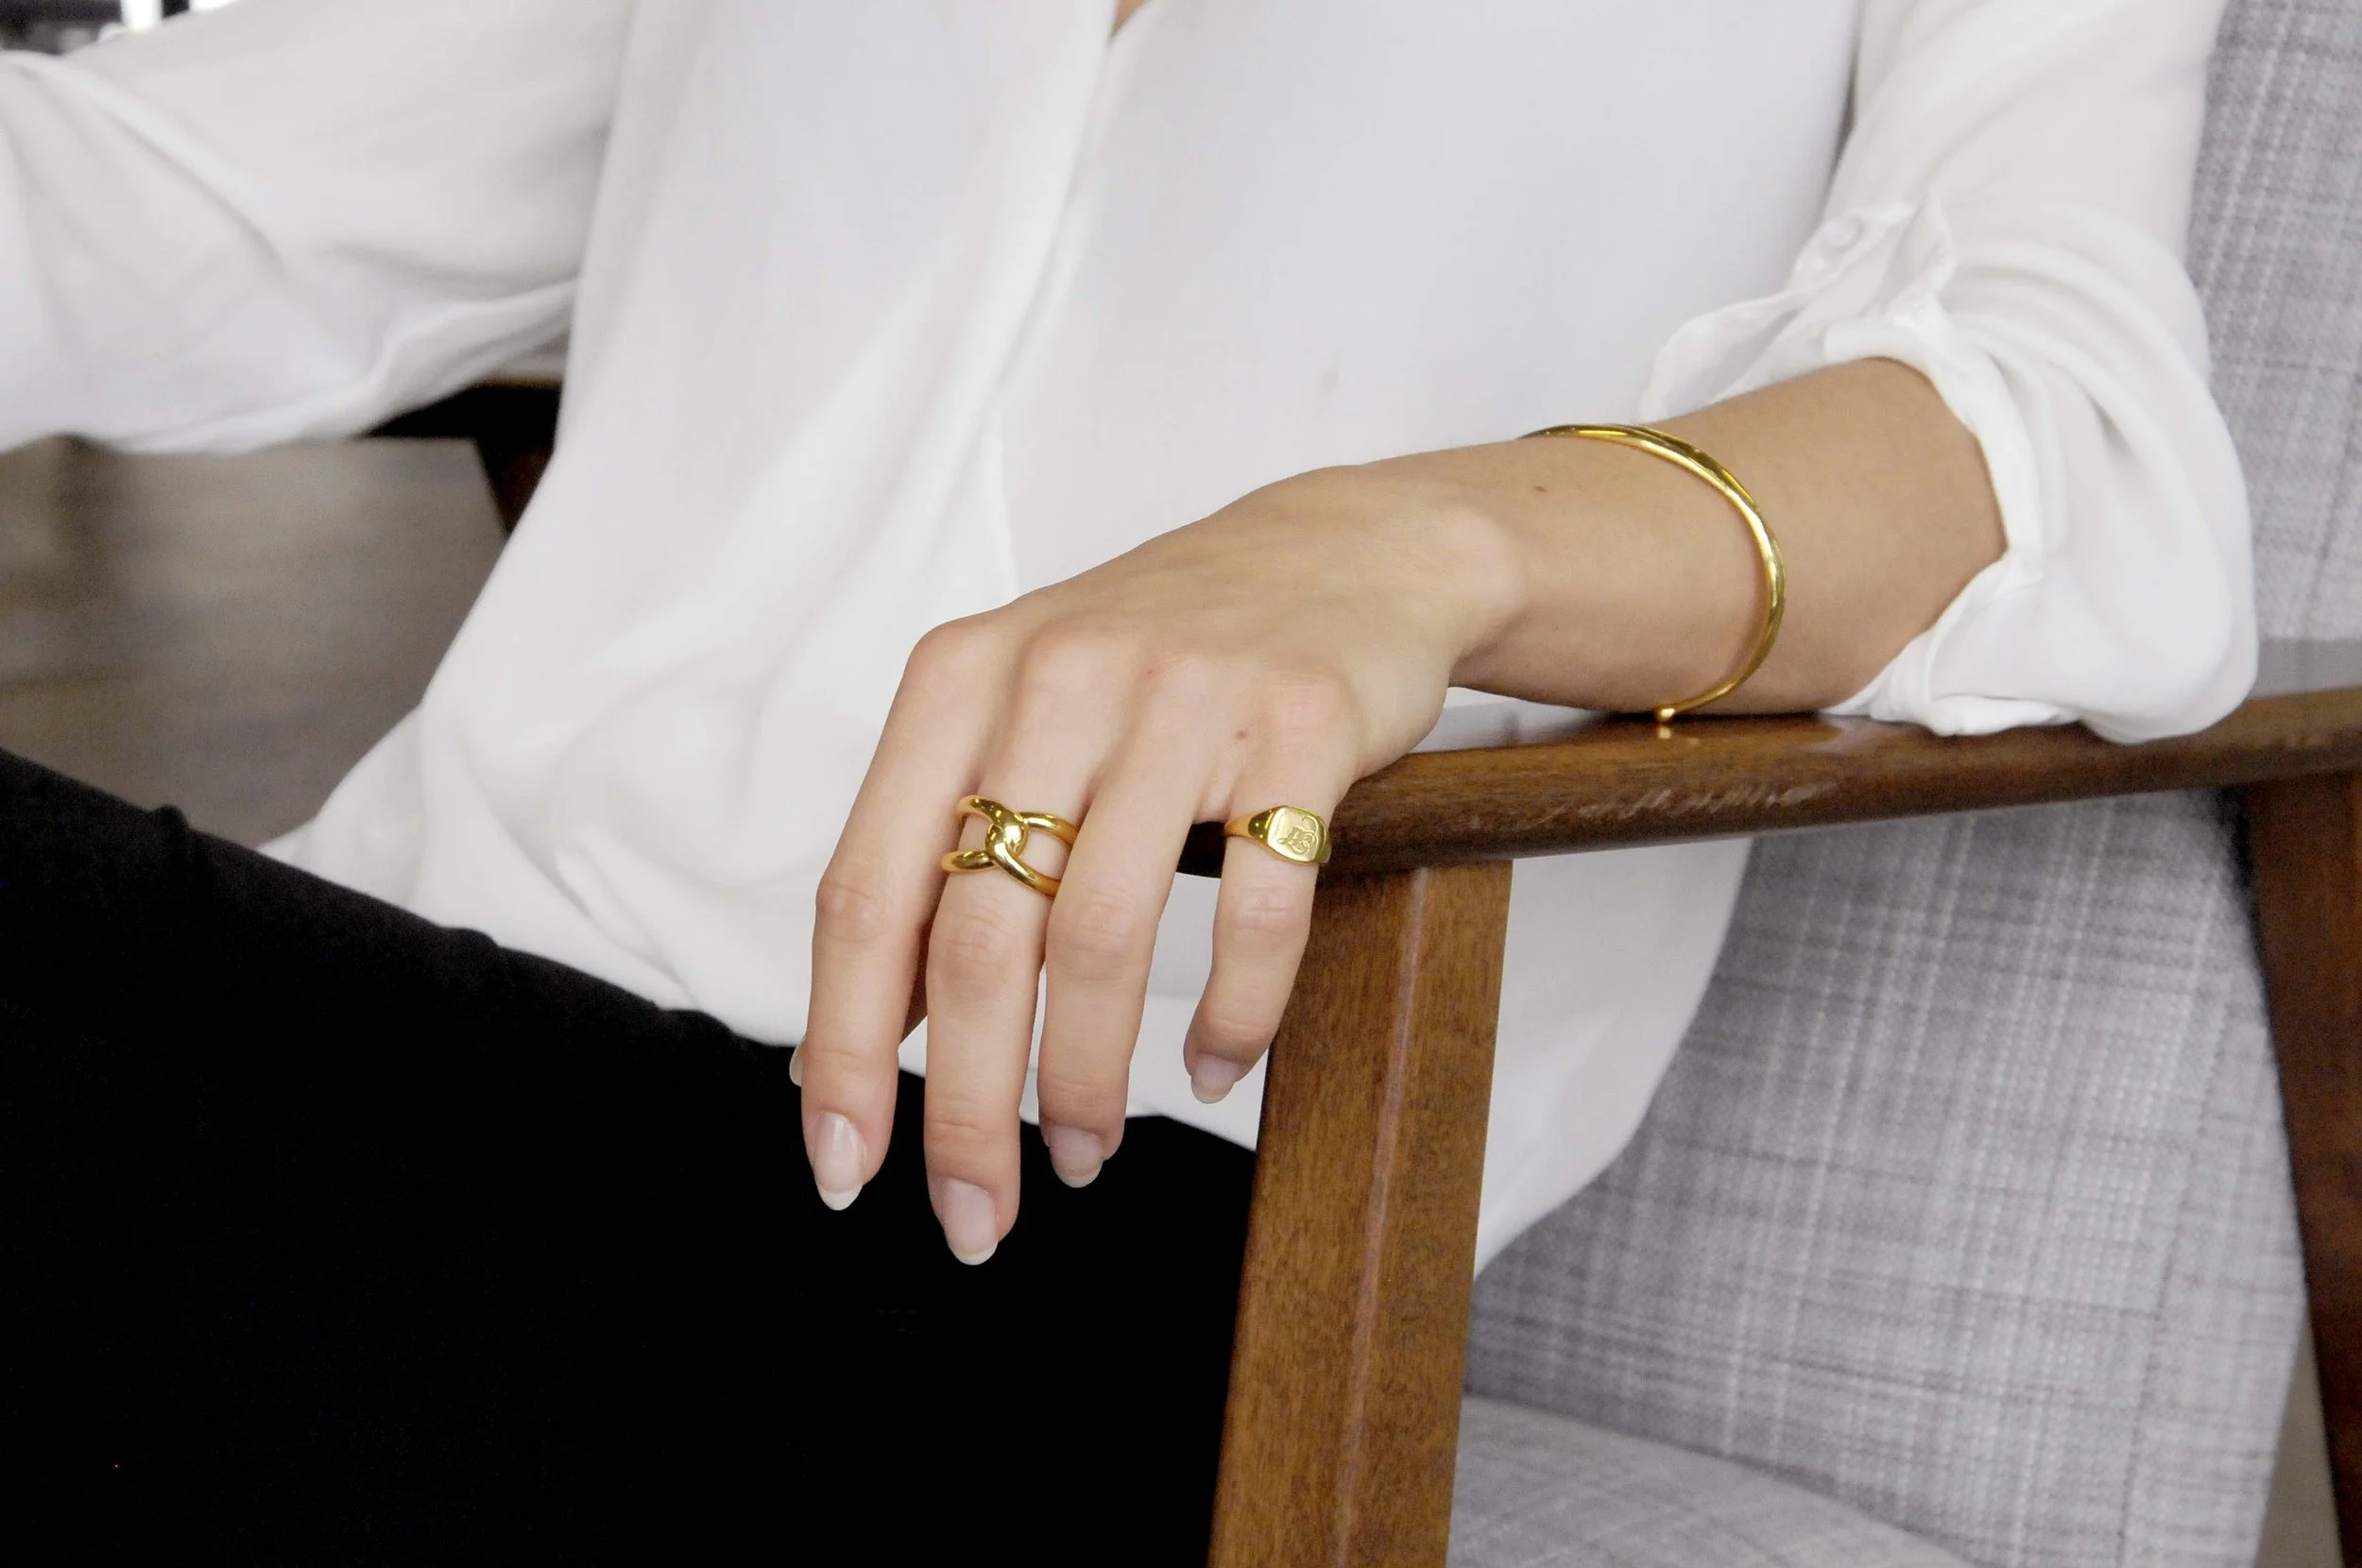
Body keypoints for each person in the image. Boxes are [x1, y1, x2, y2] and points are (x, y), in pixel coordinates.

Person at [0, 0, 2251, 1559]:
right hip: (398, 1049)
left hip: (1022, 1261)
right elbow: (171, 199)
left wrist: (1412, 545)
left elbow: (2068, 431)